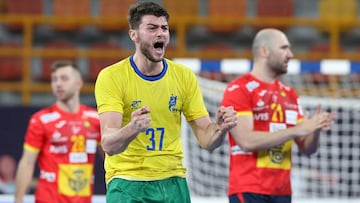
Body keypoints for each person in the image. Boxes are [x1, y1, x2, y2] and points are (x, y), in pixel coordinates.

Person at [94, 2, 237, 203]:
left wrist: (220, 129)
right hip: (128, 181)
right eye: (152, 28)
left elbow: (206, 139)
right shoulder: (112, 77)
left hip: (173, 181)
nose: (160, 34)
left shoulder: (183, 76)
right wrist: (133, 128)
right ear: (133, 35)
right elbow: (109, 144)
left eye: (165, 28)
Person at [221, 28, 336, 203]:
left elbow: (308, 149)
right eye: (284, 48)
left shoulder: (290, 94)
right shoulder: (239, 89)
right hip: (249, 188)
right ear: (264, 51)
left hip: (282, 191)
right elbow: (246, 141)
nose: (290, 54)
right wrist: (296, 130)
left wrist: (315, 129)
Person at [14, 60, 102, 203]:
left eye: (64, 78)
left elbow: (110, 159)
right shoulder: (41, 120)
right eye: (54, 79)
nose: (58, 84)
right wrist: (17, 200)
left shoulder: (95, 119)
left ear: (79, 83)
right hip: (48, 199)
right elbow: (27, 163)